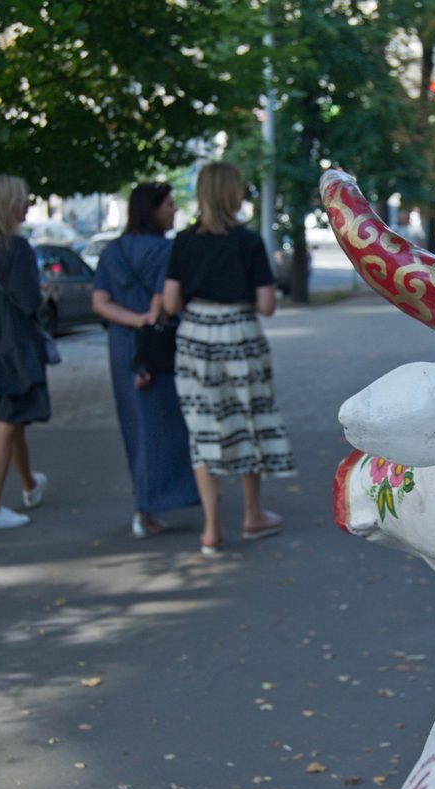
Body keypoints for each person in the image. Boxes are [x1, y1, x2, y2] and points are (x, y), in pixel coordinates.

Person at [162, 162, 296, 556]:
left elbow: (170, 302)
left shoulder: (184, 242)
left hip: (195, 338)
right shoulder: (249, 241)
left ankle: (210, 528)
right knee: (247, 419)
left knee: (202, 425)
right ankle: (252, 515)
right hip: (239, 333)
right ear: (234, 193)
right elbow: (267, 305)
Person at [91, 182, 200, 539]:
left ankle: (146, 503)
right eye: (168, 204)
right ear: (151, 210)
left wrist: (130, 320)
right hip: (157, 349)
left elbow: (100, 303)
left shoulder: (113, 251)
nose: (173, 210)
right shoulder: (166, 252)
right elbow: (164, 304)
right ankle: (150, 507)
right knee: (161, 427)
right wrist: (146, 320)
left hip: (122, 347)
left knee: (135, 426)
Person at [0, 175, 50, 531]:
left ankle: (30, 484)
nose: (27, 204)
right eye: (23, 199)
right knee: (7, 422)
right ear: (9, 206)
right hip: (16, 347)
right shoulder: (16, 250)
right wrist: (46, 298)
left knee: (12, 417)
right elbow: (29, 301)